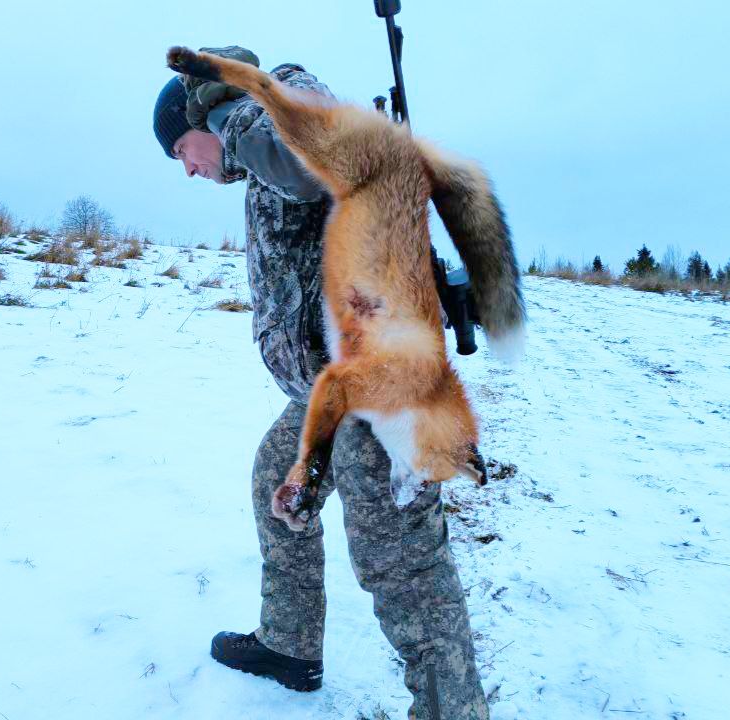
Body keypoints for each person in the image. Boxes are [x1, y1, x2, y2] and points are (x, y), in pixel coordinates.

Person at [153, 46, 490, 719]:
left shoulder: (279, 105)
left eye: (181, 150)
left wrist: (227, 109)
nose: (189, 168)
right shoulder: (257, 154)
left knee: (403, 569)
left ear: (203, 115)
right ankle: (288, 644)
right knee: (271, 483)